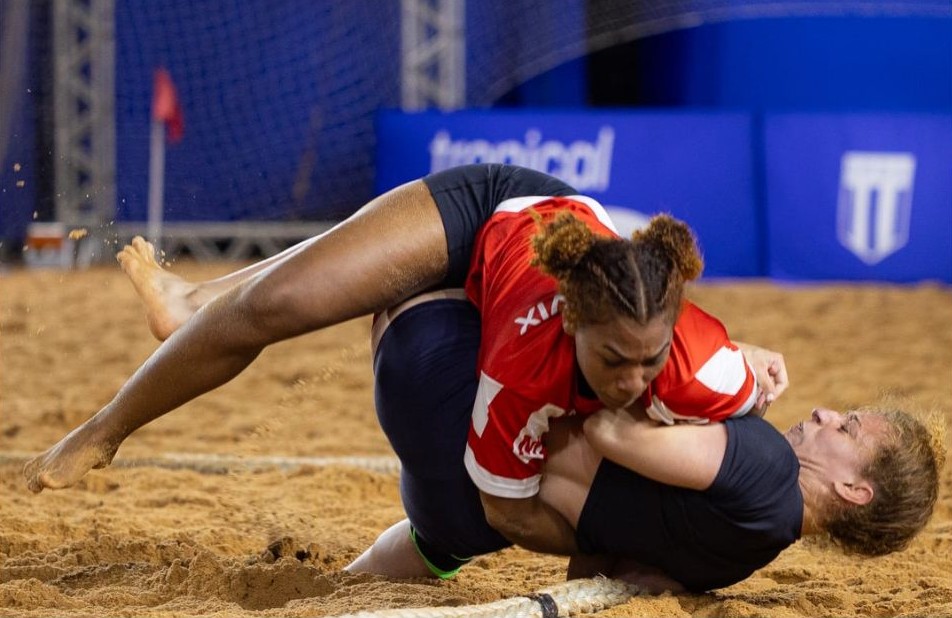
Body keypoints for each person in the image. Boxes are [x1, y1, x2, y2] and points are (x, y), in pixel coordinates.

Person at [23, 164, 784, 555]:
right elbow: (507, 507)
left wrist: (757, 367)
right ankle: (101, 430)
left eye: (649, 365)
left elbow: (755, 381)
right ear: (576, 321)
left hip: (535, 280)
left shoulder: (700, 361)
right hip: (492, 212)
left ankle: (196, 302)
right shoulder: (524, 362)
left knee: (298, 296)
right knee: (275, 309)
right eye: (615, 361)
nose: (634, 383)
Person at [345, 289, 944, 591]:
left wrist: (717, 369)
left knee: (504, 225)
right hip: (461, 518)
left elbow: (608, 428)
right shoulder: (749, 556)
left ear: (854, 490)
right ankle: (342, 583)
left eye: (848, 427)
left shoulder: (762, 462)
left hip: (448, 404)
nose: (826, 411)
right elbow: (599, 565)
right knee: (438, 546)